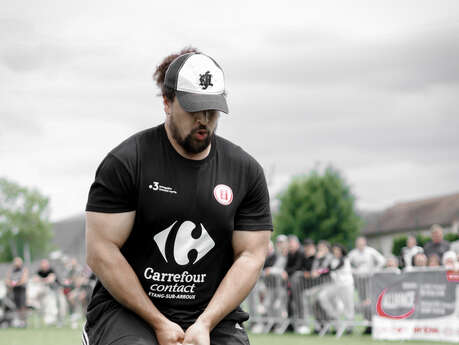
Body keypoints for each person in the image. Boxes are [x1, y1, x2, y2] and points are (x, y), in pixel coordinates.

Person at [83, 48, 272, 345]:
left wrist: (205, 323)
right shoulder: (126, 162)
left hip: (209, 312)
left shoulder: (245, 171)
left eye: (212, 110)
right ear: (167, 102)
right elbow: (101, 252)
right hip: (129, 310)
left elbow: (252, 255)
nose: (204, 119)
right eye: (193, 108)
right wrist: (159, 322)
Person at [5, 257, 29, 327]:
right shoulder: (11, 270)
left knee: (22, 306)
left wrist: (16, 283)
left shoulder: (23, 270)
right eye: (15, 261)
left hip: (21, 290)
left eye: (18, 261)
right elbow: (7, 279)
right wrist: (10, 284)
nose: (17, 263)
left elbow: (24, 279)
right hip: (13, 291)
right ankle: (17, 321)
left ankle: (23, 321)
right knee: (15, 306)